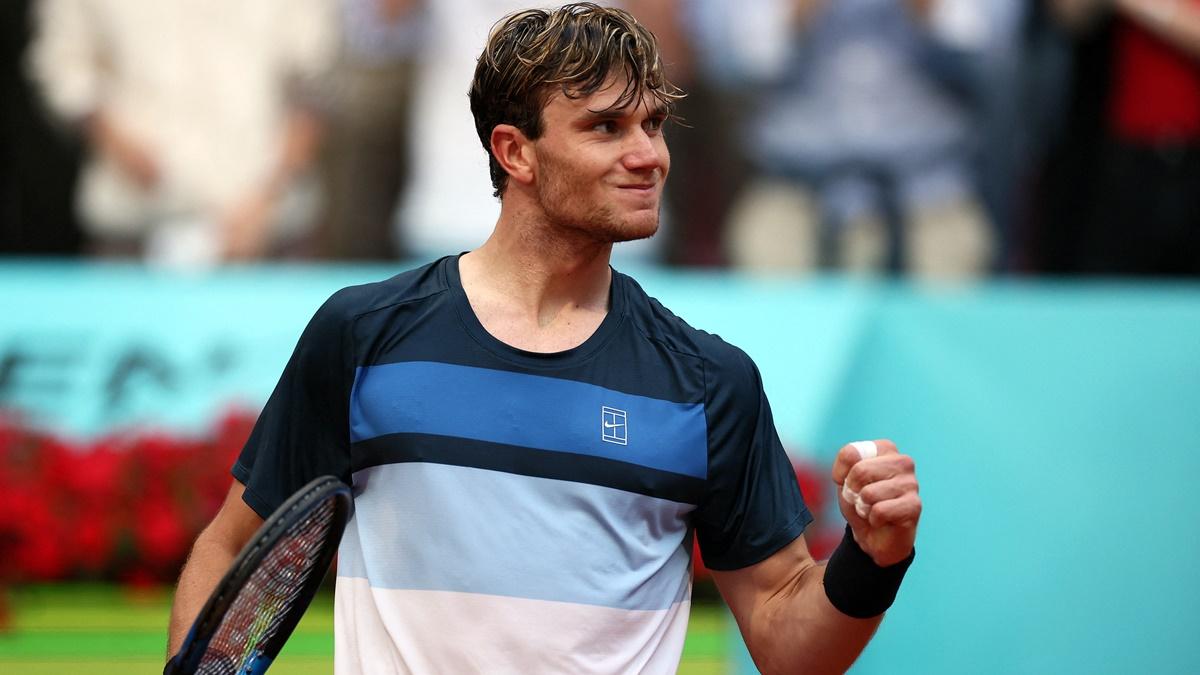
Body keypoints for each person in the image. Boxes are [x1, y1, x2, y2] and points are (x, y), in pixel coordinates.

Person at [166, 5, 922, 673]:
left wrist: (872, 557)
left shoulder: (709, 382)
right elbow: (230, 547)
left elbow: (790, 646)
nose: (648, 155)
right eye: (606, 126)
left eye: (653, 124)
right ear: (514, 151)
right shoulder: (362, 335)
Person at [27, 0, 336, 267]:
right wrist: (117, 143)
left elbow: (316, 87)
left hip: (267, 230)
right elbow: (61, 62)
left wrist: (267, 199)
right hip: (135, 224)